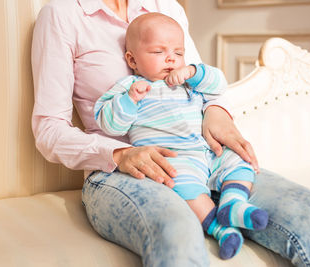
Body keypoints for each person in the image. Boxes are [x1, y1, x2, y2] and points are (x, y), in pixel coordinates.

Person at [31, 0, 310, 266]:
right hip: (121, 170)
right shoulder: (63, 14)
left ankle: (232, 204)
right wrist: (119, 153)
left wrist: (218, 113)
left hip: (200, 152)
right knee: (178, 229)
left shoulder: (166, 7)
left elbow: (205, 85)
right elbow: (49, 127)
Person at [94, 13, 268, 260]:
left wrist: (193, 72)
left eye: (178, 52)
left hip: (208, 151)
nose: (171, 59)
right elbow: (108, 123)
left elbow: (218, 84)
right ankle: (220, 230)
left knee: (240, 160)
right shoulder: (129, 86)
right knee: (183, 188)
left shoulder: (189, 81)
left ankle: (232, 203)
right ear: (132, 59)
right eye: (158, 52)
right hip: (175, 158)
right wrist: (130, 99)